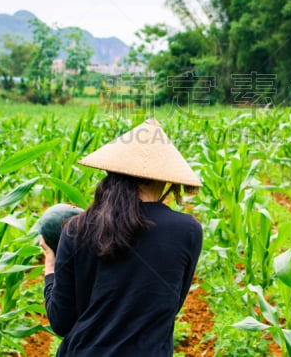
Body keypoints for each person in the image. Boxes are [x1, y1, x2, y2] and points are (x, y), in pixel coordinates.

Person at [39, 118, 203, 356]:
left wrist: (50, 265)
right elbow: (171, 305)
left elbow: (61, 322)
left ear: (112, 172)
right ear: (166, 179)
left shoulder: (75, 229)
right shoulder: (187, 230)